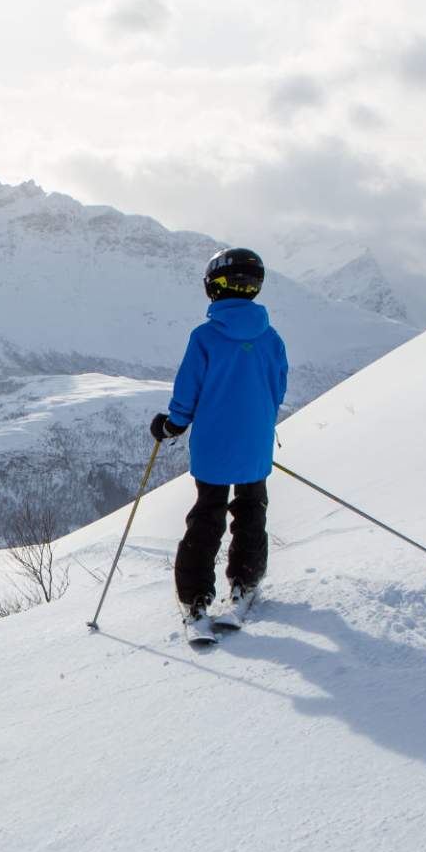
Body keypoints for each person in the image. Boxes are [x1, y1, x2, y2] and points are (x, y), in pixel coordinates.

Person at [149, 247, 289, 628]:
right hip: (255, 443)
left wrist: (172, 425)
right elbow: (278, 390)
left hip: (213, 445)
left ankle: (195, 598)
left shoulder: (205, 337)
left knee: (207, 515)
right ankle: (245, 582)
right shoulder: (271, 338)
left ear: (214, 286)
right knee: (251, 509)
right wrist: (255, 424)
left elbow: (188, 391)